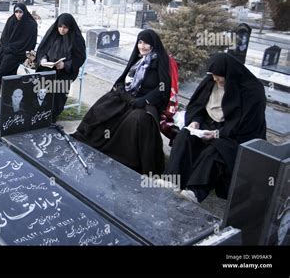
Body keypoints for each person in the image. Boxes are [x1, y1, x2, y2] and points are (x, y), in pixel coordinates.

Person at [165, 53, 267, 203]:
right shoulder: (211, 81)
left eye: (218, 76)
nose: (214, 79)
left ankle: (195, 191)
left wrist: (217, 133)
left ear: (229, 73)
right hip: (208, 125)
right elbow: (197, 106)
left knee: (215, 150)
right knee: (185, 136)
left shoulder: (252, 91)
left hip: (235, 135)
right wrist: (196, 121)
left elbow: (247, 126)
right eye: (212, 75)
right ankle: (171, 180)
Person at [72, 29, 171, 175]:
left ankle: (124, 157)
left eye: (146, 44)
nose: (142, 46)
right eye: (140, 42)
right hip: (128, 97)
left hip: (146, 103)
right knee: (103, 107)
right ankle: (91, 137)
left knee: (136, 120)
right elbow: (122, 80)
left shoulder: (160, 61)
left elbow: (162, 89)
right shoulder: (137, 59)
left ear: (153, 45)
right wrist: (122, 92)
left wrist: (143, 100)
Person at [35, 13, 86, 121]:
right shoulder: (52, 34)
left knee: (58, 89)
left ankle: (52, 116)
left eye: (65, 27)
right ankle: (39, 111)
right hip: (48, 67)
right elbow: (42, 50)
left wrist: (65, 65)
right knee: (40, 83)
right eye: (60, 26)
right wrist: (43, 59)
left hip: (66, 72)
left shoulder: (76, 39)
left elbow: (80, 58)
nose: (62, 30)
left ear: (70, 27)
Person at [0, 3, 38, 92]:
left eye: (20, 12)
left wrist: (26, 55)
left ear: (24, 12)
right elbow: (4, 38)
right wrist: (5, 48)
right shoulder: (11, 20)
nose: (18, 14)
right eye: (16, 12)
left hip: (23, 52)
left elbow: (31, 43)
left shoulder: (31, 24)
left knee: (8, 59)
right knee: (2, 57)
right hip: (9, 50)